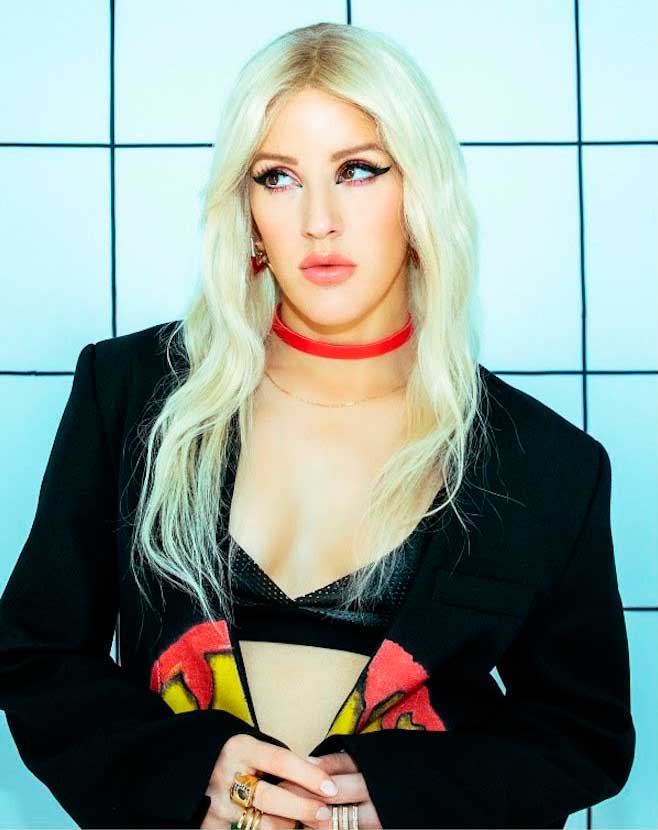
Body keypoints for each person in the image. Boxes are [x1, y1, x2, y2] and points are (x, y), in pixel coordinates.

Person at [0, 21, 634, 830]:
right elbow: (36, 654)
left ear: (420, 190)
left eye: (358, 170)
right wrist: (188, 771)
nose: (319, 220)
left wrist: (405, 793)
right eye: (278, 177)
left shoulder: (544, 462)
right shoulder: (129, 395)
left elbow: (583, 733)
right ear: (246, 206)